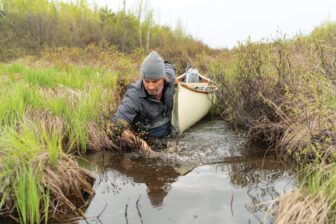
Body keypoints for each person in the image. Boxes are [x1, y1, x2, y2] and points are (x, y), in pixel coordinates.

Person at [113, 51, 176, 154]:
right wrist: (141, 144)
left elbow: (169, 65)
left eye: (155, 81)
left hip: (170, 136)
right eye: (146, 81)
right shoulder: (134, 95)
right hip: (150, 143)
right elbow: (115, 125)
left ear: (163, 78)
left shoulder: (170, 77)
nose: (150, 87)